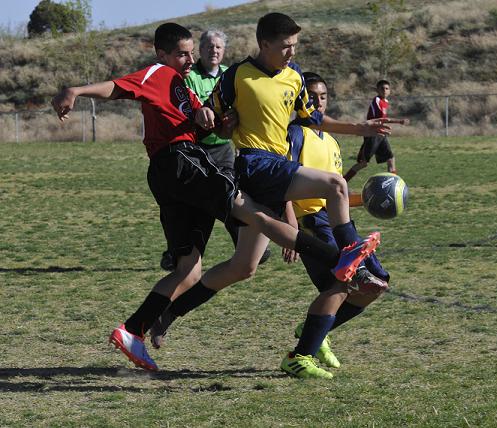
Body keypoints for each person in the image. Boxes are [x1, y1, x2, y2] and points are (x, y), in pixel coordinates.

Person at [51, 22, 380, 372]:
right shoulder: (160, 73)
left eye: (191, 52)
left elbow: (215, 125)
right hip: (182, 163)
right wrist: (76, 89)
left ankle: (134, 330)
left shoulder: (185, 89)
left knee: (189, 270)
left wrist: (219, 122)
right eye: (182, 53)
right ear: (161, 54)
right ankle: (339, 259)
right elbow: (117, 88)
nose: (189, 59)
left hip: (170, 176)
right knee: (256, 214)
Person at [144, 13, 392, 370]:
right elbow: (209, 114)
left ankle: (168, 314)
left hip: (274, 170)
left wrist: (359, 128)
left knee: (243, 267)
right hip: (254, 164)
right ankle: (350, 251)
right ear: (264, 45)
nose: (291, 52)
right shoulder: (238, 76)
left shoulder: (294, 78)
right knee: (335, 184)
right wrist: (216, 121)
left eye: (295, 46)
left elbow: (313, 120)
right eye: (285, 46)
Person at [280, 71, 391, 379]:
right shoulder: (295, 133)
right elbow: (281, 183)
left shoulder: (330, 140)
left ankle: (316, 328)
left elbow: (337, 192)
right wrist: (290, 225)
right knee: (340, 284)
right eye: (311, 97)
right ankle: (300, 355)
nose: (318, 102)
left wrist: (369, 201)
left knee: (375, 283)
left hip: (339, 224)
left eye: (323, 96)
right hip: (312, 221)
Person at [158, 28, 270, 272]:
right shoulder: (189, 75)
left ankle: (245, 245)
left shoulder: (230, 75)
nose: (214, 51)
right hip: (194, 150)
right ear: (201, 49)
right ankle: (175, 250)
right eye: (209, 46)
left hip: (223, 149)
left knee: (232, 195)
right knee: (189, 203)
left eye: (218, 47)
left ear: (224, 51)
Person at [343, 79, 410, 182]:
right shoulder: (377, 101)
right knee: (363, 163)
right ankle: (343, 181)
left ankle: (392, 184)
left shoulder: (385, 102)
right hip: (372, 134)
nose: (385, 90)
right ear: (377, 90)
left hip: (381, 134)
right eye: (382, 88)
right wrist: (399, 121)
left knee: (390, 159)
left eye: (387, 88)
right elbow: (381, 119)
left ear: (390, 91)